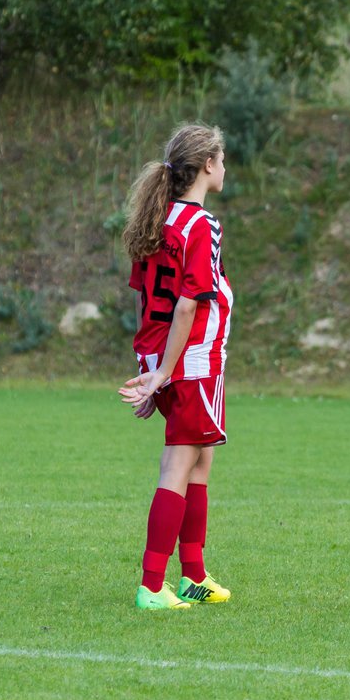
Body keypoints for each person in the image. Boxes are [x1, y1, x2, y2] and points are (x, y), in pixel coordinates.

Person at [118, 123, 234, 610]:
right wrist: (164, 374)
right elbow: (188, 304)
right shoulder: (200, 225)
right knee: (180, 464)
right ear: (207, 165)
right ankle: (151, 585)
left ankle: (193, 575)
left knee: (200, 461)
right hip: (189, 362)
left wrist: (153, 368)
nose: (225, 168)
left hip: (167, 357)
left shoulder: (159, 221)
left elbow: (147, 299)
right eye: (222, 160)